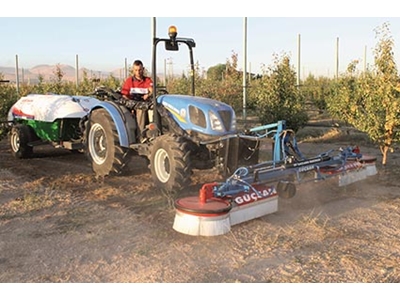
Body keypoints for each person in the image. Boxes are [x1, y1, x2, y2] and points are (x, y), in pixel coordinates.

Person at [120, 60, 153, 141]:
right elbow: (124, 95)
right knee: (141, 110)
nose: (138, 72)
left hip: (145, 103)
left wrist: (148, 95)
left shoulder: (147, 80)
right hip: (133, 104)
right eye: (136, 70)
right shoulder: (129, 81)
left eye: (140, 70)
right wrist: (131, 105)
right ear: (133, 70)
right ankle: (141, 136)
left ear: (143, 69)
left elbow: (152, 90)